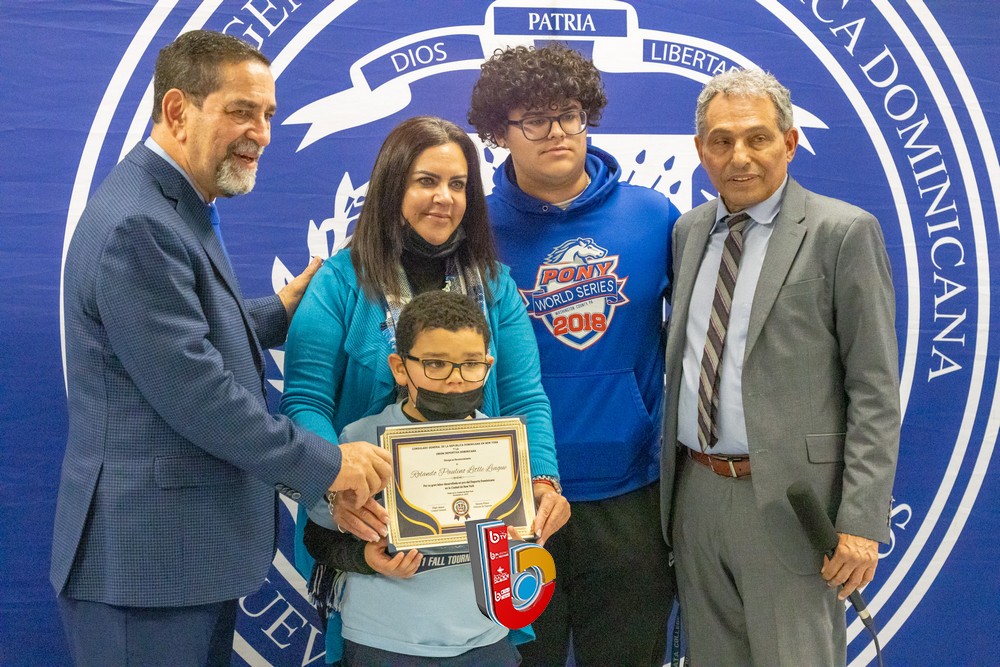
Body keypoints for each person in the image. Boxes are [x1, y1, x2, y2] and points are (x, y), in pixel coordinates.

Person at [50, 30, 392, 666]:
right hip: (147, 572)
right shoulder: (141, 223)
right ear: (178, 109)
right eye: (241, 111)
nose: (261, 132)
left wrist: (280, 311)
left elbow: (180, 336)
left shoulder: (173, 203)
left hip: (180, 563)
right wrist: (330, 465)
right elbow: (199, 396)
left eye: (267, 114)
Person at [279, 115, 570, 661]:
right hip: (371, 528)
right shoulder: (340, 283)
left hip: (477, 559)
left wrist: (543, 481)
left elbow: (525, 398)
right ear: (393, 188)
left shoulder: (495, 285)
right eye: (426, 181)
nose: (444, 197)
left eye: (458, 184)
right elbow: (305, 401)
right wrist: (336, 480)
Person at [660, 67, 901, 665]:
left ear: (789, 143)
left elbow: (874, 389)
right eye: (721, 141)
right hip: (695, 492)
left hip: (794, 504)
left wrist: (861, 521)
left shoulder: (843, 232)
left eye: (757, 138)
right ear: (701, 150)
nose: (739, 156)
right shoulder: (689, 231)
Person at [467, 43, 680, 666]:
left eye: (569, 114)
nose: (557, 132)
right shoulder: (472, 228)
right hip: (511, 500)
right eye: (535, 120)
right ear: (499, 133)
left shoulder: (654, 216)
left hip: (630, 493)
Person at [304, 289, 547, 665]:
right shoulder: (359, 441)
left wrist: (524, 538)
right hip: (383, 639)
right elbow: (316, 536)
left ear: (488, 363)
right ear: (400, 367)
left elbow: (521, 539)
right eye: (435, 364)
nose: (455, 380)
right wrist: (364, 557)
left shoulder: (505, 445)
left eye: (471, 364)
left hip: (486, 635)